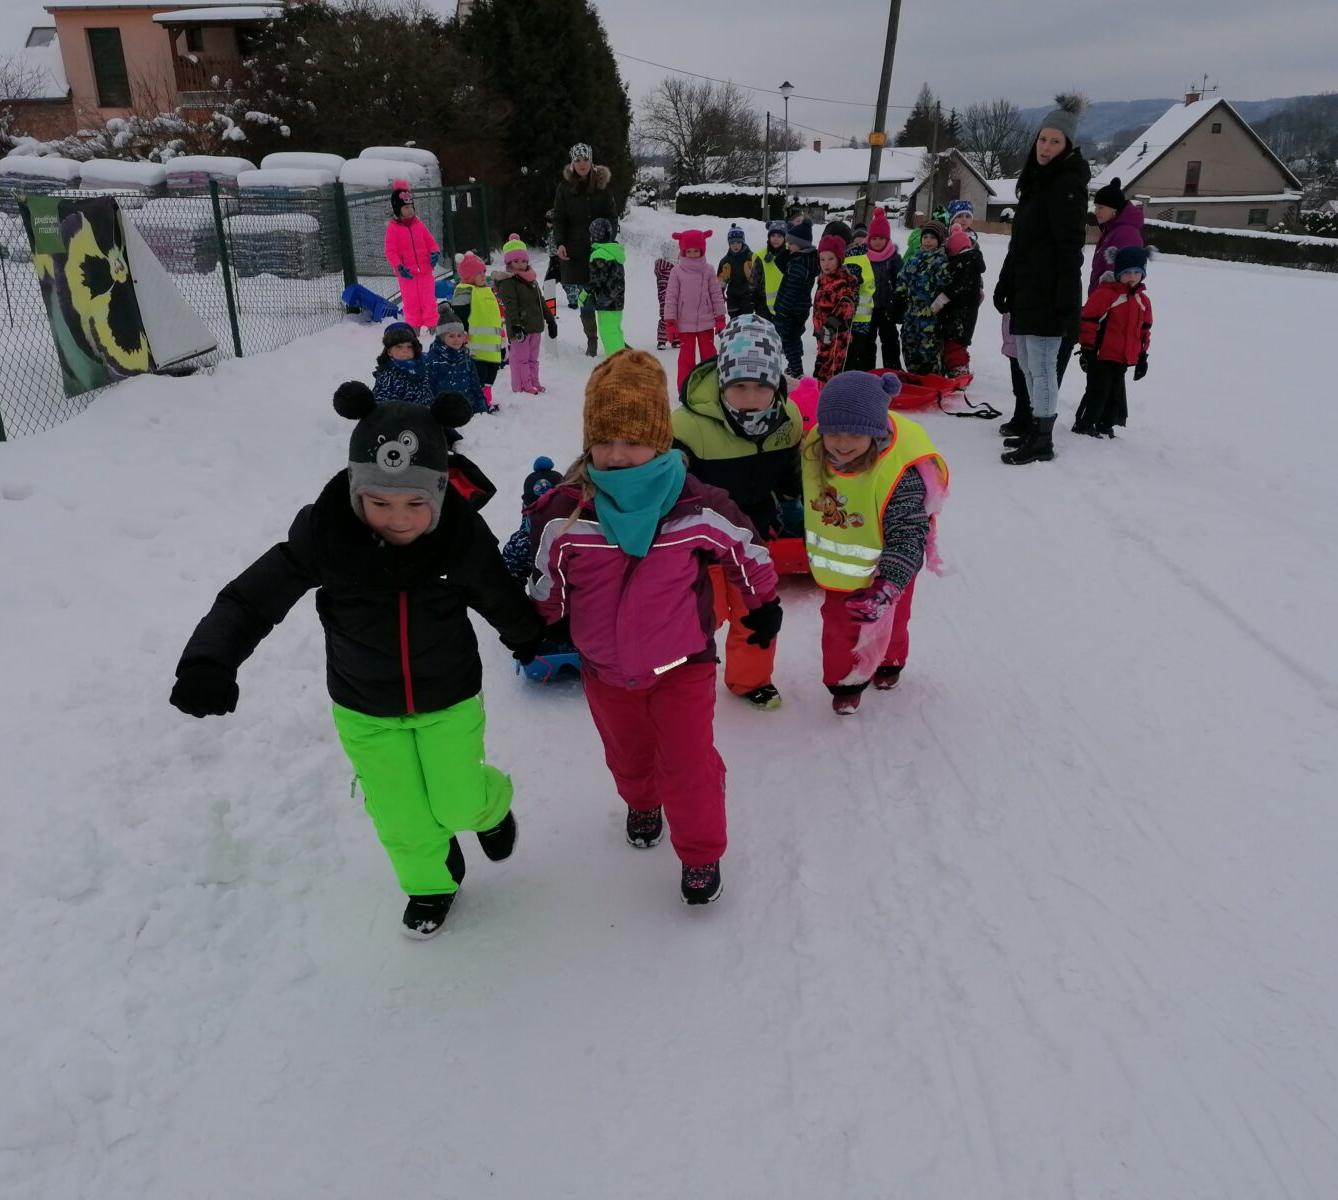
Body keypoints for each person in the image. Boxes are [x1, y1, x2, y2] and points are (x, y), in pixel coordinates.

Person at [169, 390, 543, 940]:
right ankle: (431, 883)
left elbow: (497, 595)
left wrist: (529, 639)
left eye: (415, 504)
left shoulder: (457, 537)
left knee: (455, 799)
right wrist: (209, 660)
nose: (398, 519)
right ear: (355, 490)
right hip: (364, 707)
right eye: (380, 502)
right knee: (400, 815)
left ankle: (489, 808)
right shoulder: (326, 535)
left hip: (449, 697)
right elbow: (252, 598)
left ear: (439, 494)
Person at [525, 351, 782, 905]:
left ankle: (700, 852)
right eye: (605, 441)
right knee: (629, 758)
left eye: (632, 440)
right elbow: (549, 580)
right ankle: (642, 802)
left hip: (682, 667)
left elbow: (748, 551)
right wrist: (539, 625)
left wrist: (761, 603)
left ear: (661, 441)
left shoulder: (696, 508)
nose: (617, 455)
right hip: (605, 671)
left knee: (689, 766)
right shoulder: (568, 515)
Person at [673, 314, 802, 710]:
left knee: (756, 615)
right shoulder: (686, 426)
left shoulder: (788, 421)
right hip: (700, 543)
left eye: (761, 386)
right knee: (696, 617)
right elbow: (668, 489)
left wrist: (790, 505)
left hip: (753, 540)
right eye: (739, 387)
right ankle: (675, 675)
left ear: (777, 385)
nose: (749, 397)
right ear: (722, 382)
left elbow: (789, 475)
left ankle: (751, 680)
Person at [800, 371, 948, 715]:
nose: (841, 442)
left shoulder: (898, 474)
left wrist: (888, 586)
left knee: (894, 618)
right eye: (833, 432)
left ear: (876, 431)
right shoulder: (814, 451)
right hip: (843, 573)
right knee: (840, 629)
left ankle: (889, 662)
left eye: (855, 433)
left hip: (891, 569)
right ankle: (845, 682)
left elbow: (910, 533)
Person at [993, 99, 1091, 465]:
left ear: (1067, 145)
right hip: (1027, 289)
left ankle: (1042, 440)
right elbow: (1020, 243)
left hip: (1049, 292)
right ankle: (1034, 427)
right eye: (1042, 139)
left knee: (1044, 368)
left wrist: (1067, 301)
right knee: (1029, 366)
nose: (1046, 147)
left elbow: (1070, 249)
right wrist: (1006, 283)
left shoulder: (1066, 185)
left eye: (1055, 141)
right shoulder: (1037, 182)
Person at [1072, 245, 1152, 438]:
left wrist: (1142, 356)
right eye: (1126, 272)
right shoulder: (1106, 294)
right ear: (1118, 273)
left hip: (1123, 357)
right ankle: (1084, 423)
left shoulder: (1143, 301)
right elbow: (1088, 321)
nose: (1132, 276)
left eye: (1136, 272)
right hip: (1100, 355)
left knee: (1115, 393)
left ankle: (1105, 424)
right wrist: (1087, 348)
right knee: (1097, 391)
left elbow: (1144, 330)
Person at [552, 142, 618, 357]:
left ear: (591, 161)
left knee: (606, 298)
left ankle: (612, 335)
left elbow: (612, 216)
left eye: (585, 159)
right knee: (586, 299)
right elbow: (559, 219)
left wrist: (608, 239)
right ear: (572, 163)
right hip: (577, 251)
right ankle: (592, 339)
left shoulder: (602, 186)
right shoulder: (564, 188)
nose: (582, 164)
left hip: (601, 251)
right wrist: (560, 242)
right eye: (578, 160)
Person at [663, 228, 727, 390]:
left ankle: (712, 386)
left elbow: (716, 294)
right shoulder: (676, 272)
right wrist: (670, 322)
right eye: (688, 251)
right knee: (686, 358)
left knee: (709, 356)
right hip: (685, 324)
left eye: (696, 251)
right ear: (683, 251)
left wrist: (720, 317)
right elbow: (671, 298)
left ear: (702, 250)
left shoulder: (708, 269)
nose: (692, 254)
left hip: (706, 323)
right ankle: (685, 388)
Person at [495, 235, 556, 394]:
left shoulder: (532, 280)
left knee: (533, 358)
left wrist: (550, 319)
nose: (520, 264)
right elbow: (511, 305)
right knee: (521, 358)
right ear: (509, 263)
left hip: (535, 326)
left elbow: (540, 301)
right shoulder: (508, 282)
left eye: (523, 261)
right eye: (516, 261)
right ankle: (523, 385)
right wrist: (515, 325)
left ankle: (534, 381)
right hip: (520, 327)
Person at [384, 180, 441, 337]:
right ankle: (414, 328)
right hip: (406, 274)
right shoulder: (393, 228)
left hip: (425, 271)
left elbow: (431, 243)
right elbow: (390, 251)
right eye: (406, 207)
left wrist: (435, 253)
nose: (410, 211)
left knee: (429, 300)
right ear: (398, 209)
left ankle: (432, 326)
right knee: (411, 302)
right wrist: (399, 266)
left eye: (412, 207)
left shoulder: (419, 225)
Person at [449, 251, 505, 408]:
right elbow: (460, 314)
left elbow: (494, 316)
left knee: (491, 373)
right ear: (468, 276)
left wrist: (501, 335)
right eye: (478, 273)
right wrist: (462, 333)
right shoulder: (464, 290)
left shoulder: (487, 290)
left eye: (484, 272)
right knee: (478, 374)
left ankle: (486, 397)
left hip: (492, 345)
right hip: (475, 346)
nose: (483, 275)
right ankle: (478, 402)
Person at [894, 219, 950, 375]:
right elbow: (902, 281)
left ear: (939, 241)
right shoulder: (913, 260)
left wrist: (940, 309)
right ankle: (914, 377)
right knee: (909, 345)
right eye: (925, 237)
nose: (928, 241)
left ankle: (933, 379)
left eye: (932, 238)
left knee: (929, 350)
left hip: (931, 317)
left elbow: (946, 288)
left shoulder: (941, 262)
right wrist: (898, 298)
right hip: (911, 315)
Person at [773, 218, 817, 380]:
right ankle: (794, 366)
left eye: (790, 243)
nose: (787, 246)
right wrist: (788, 250)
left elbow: (791, 291)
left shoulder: (799, 265)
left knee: (788, 341)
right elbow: (780, 263)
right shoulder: (803, 259)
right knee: (794, 338)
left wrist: (782, 311)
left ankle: (796, 369)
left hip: (791, 310)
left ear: (800, 244)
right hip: (800, 308)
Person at [938, 226, 986, 378]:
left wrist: (943, 298)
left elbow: (957, 288)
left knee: (954, 342)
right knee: (956, 341)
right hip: (964, 312)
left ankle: (959, 370)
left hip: (959, 312)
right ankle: (955, 367)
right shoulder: (972, 262)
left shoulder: (963, 263)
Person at [812, 234, 859, 384]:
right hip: (823, 335)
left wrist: (830, 326)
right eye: (822, 259)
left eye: (831, 259)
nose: (826, 264)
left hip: (836, 337)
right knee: (821, 366)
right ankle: (818, 395)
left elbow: (847, 305)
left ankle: (830, 398)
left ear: (839, 259)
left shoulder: (841, 281)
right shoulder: (823, 279)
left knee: (831, 370)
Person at [426, 314, 494, 415]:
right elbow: (428, 392)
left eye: (459, 335)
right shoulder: (433, 360)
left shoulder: (467, 359)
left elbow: (476, 389)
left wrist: (483, 411)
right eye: (451, 336)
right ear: (441, 337)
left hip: (468, 414)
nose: (456, 339)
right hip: (444, 415)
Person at [1089, 177, 1145, 296]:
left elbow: (1126, 277)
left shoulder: (1125, 234)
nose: (1096, 211)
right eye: (1096, 207)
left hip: (1111, 303)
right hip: (1102, 299)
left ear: (1114, 209)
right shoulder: (1110, 229)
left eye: (1101, 207)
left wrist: (1104, 303)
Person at [865, 208, 903, 370]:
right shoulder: (864, 258)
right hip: (868, 308)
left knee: (890, 340)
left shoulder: (894, 258)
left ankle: (893, 369)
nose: (877, 242)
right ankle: (867, 370)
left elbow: (901, 281)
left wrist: (897, 302)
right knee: (867, 341)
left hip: (888, 307)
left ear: (887, 239)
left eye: (881, 238)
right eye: (874, 238)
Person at [585, 217, 627, 356]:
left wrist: (585, 292)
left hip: (606, 301)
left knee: (607, 332)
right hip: (617, 301)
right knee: (615, 329)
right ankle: (622, 358)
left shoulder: (599, 254)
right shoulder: (615, 252)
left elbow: (597, 280)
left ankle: (617, 363)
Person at [373, 323, 433, 406]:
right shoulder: (387, 376)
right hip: (403, 416)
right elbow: (382, 407)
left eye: (409, 346)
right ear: (389, 351)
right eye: (399, 346)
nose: (405, 350)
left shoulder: (425, 366)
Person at [842, 224, 877, 371]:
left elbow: (851, 290)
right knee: (860, 352)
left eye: (861, 242)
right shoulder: (864, 258)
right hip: (864, 316)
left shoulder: (853, 260)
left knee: (851, 356)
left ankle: (854, 384)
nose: (858, 244)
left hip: (853, 317)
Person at [751, 220, 788, 322]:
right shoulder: (761, 256)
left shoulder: (791, 255)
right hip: (763, 308)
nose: (775, 239)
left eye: (779, 236)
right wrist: (754, 303)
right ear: (769, 237)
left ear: (785, 238)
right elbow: (754, 283)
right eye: (773, 236)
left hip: (786, 307)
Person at [717, 225, 756, 319]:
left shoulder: (751, 257)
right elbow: (721, 280)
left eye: (738, 242)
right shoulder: (726, 261)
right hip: (732, 295)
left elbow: (758, 276)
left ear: (743, 242)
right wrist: (720, 293)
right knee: (734, 319)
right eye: (732, 242)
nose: (735, 245)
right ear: (729, 244)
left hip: (748, 294)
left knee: (747, 319)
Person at [653, 241, 678, 351]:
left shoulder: (676, 267)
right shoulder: (665, 269)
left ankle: (676, 339)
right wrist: (666, 296)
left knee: (677, 318)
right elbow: (663, 285)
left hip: (676, 298)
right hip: (666, 298)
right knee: (665, 318)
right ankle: (662, 340)